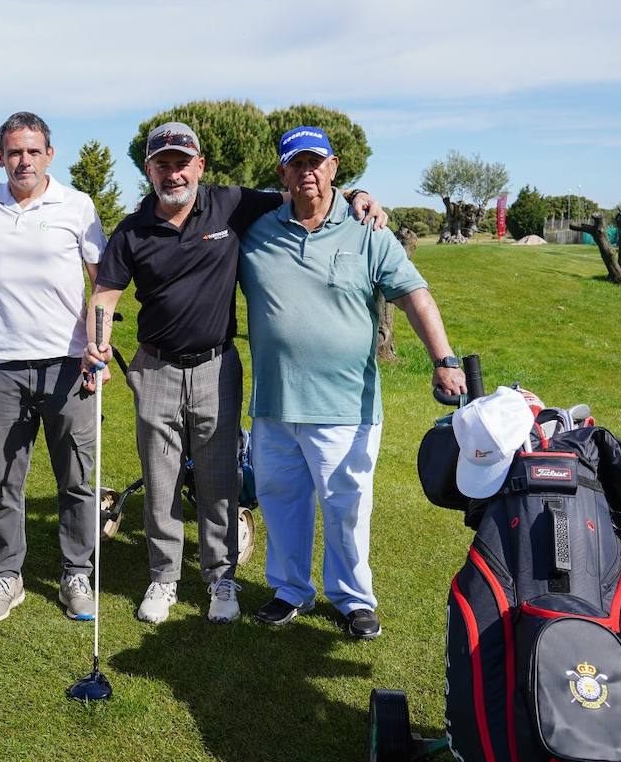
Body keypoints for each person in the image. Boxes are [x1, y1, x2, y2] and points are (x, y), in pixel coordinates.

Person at [84, 121, 386, 624]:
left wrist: (357, 192)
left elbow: (304, 188)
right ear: (149, 170)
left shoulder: (230, 204)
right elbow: (107, 291)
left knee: (218, 480)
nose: (174, 172)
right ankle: (163, 577)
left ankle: (221, 578)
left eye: (183, 163)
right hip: (154, 368)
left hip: (217, 367)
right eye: (163, 164)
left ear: (200, 165)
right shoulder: (133, 228)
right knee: (160, 481)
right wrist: (98, 339)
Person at [238, 125, 465, 638]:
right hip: (275, 404)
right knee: (281, 503)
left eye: (316, 163)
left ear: (335, 167)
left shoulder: (368, 231)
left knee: (345, 508)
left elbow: (413, 295)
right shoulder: (257, 230)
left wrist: (444, 359)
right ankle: (290, 590)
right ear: (283, 173)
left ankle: (352, 599)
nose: (307, 173)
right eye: (297, 164)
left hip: (344, 406)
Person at [0, 112, 106, 623]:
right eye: (14, 151)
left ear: (49, 154)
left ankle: (76, 574)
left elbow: (101, 282)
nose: (23, 160)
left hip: (69, 364)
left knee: (77, 478)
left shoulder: (78, 205)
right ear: (0, 156)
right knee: (4, 479)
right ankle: (8, 576)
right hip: (2, 366)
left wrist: (99, 346)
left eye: (33, 151)